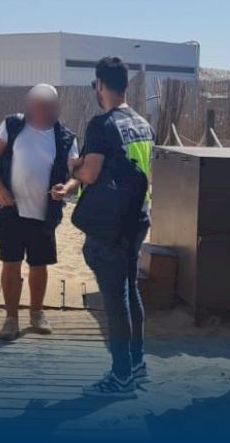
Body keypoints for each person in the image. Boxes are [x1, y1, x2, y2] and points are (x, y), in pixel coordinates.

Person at [71, 57, 155, 398]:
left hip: (111, 226)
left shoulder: (101, 125)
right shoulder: (143, 124)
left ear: (101, 85)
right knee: (131, 290)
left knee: (116, 299)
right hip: (139, 219)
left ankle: (121, 376)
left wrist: (73, 166)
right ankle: (137, 364)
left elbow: (90, 174)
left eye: (96, 85)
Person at [0, 84, 80, 341]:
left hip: (45, 213)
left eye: (46, 105)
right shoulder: (12, 126)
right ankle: (11, 319)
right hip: (10, 209)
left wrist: (66, 188)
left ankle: (37, 313)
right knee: (10, 263)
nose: (40, 110)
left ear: (55, 107)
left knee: (39, 265)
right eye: (36, 104)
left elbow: (77, 175)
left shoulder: (66, 137)